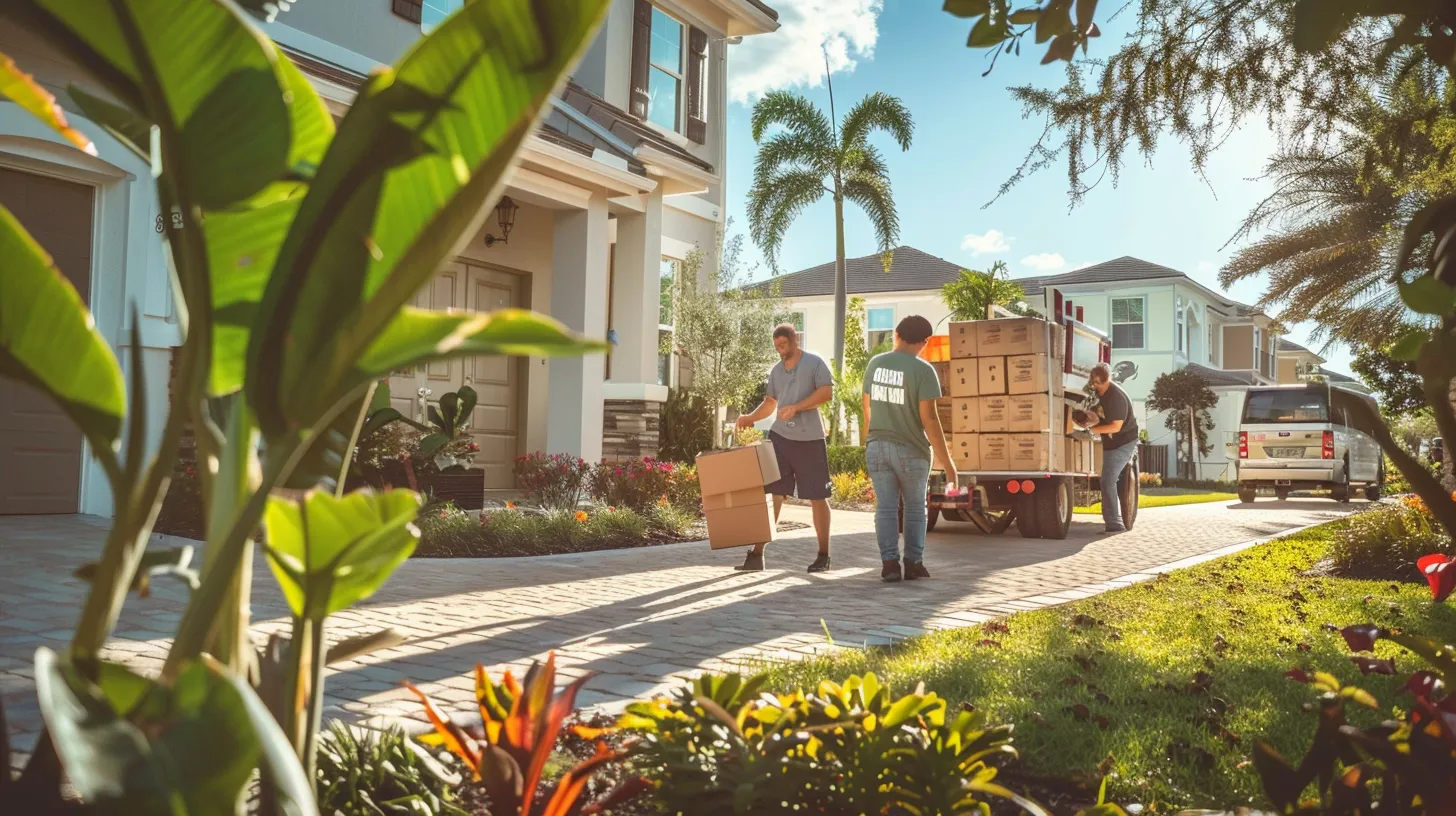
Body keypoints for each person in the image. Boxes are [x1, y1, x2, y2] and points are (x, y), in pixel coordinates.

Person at [860, 316, 956, 582]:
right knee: (915, 508)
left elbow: (866, 408)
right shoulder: (924, 371)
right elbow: (930, 420)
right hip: (911, 451)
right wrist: (948, 465)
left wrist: (869, 441)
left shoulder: (875, 364)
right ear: (925, 342)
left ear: (897, 334)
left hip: (877, 446)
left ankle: (889, 564)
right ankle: (913, 563)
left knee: (886, 508)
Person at [733, 324, 835, 572]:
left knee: (817, 496)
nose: (780, 350)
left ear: (795, 340)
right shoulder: (776, 372)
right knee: (772, 494)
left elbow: (826, 393)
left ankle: (823, 555)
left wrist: (797, 407)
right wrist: (749, 418)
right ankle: (757, 555)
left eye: (784, 345)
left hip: (810, 439)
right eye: (777, 346)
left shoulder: (815, 363)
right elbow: (770, 403)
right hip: (780, 437)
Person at [1086, 362, 1139, 533]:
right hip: (1112, 443)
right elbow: (1099, 413)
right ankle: (1113, 521)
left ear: (1104, 381)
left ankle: (1114, 523)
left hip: (1123, 443)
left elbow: (1115, 426)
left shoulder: (1116, 397)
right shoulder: (1101, 392)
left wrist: (1091, 429)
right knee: (1107, 479)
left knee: (1108, 479)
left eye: (1096, 384)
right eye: (1092, 383)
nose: (1094, 386)